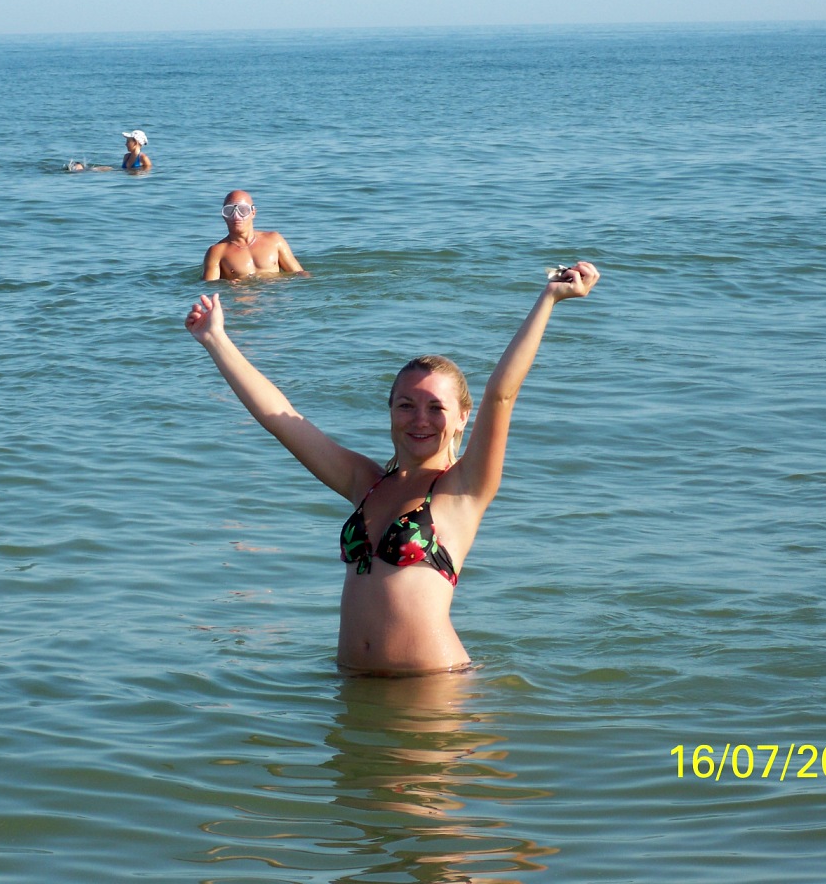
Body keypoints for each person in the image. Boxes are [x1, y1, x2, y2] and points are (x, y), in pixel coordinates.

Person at [184, 261, 601, 675]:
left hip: (432, 685)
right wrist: (216, 340)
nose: (420, 419)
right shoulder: (364, 483)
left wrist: (549, 298)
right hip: (354, 683)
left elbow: (501, 395)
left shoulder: (463, 489)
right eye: (406, 405)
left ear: (462, 418)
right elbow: (281, 419)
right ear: (390, 411)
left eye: (436, 408)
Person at [201, 190, 306, 281]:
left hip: (276, 295)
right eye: (229, 211)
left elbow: (301, 275)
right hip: (241, 297)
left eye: (243, 210)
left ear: (253, 213)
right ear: (224, 216)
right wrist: (227, 286)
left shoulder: (275, 241)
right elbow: (209, 288)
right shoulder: (217, 252)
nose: (236, 216)